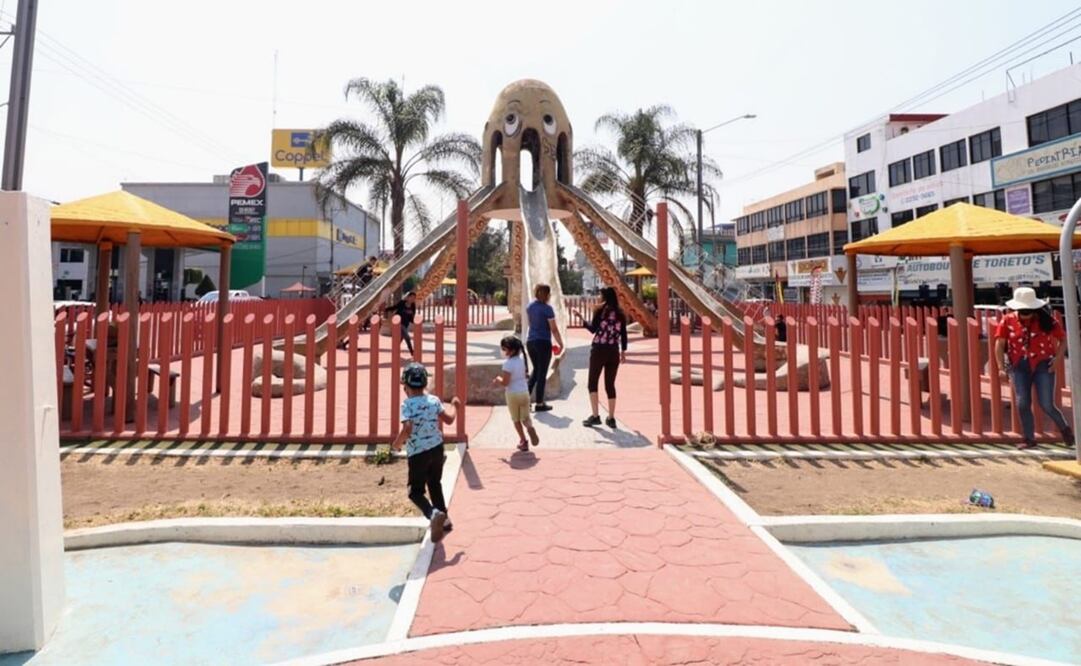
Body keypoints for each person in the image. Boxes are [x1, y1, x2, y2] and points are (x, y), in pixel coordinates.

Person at [993, 287, 1073, 450]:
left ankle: (1065, 429)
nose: (1025, 314)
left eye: (1028, 311)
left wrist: (1058, 359)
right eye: (1022, 311)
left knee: (1046, 404)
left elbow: (1063, 338)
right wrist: (1001, 367)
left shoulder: (1046, 320)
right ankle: (1029, 438)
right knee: (1022, 403)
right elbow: (999, 344)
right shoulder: (1007, 320)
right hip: (1018, 365)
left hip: (1043, 364)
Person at [391, 362, 460, 543]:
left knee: (415, 492)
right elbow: (449, 420)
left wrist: (397, 445)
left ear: (405, 386)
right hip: (437, 449)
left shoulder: (407, 405)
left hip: (418, 453)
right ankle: (445, 520)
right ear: (424, 383)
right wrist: (455, 406)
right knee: (434, 483)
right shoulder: (434, 400)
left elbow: (407, 428)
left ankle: (432, 513)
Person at [575, 286, 628, 428]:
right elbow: (624, 334)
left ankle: (595, 416)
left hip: (599, 350)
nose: (599, 298)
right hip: (613, 351)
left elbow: (593, 329)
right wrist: (623, 351)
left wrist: (581, 319)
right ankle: (611, 418)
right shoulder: (621, 314)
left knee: (592, 383)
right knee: (610, 385)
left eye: (600, 295)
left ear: (604, 297)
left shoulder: (600, 311)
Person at [492, 335, 540, 452]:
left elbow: (506, 382)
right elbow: (524, 376)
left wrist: (498, 379)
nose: (503, 351)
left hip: (513, 394)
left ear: (511, 350)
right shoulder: (522, 361)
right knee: (525, 417)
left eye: (504, 349)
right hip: (524, 392)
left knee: (516, 419)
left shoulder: (507, 364)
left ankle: (523, 440)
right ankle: (530, 427)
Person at [526, 283, 565, 412]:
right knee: (542, 373)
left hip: (531, 341)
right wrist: (561, 343)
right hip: (543, 342)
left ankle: (526, 401)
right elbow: (553, 329)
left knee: (536, 370)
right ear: (547, 294)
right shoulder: (547, 309)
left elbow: (532, 324)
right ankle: (540, 403)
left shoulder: (530, 307)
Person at [385, 290, 418, 357]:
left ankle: (395, 350)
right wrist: (386, 309)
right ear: (408, 297)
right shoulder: (402, 303)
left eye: (414, 298)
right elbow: (395, 307)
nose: (412, 299)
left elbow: (412, 316)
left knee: (401, 338)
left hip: (406, 324)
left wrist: (415, 322)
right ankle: (412, 352)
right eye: (411, 297)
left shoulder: (413, 306)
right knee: (407, 337)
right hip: (399, 323)